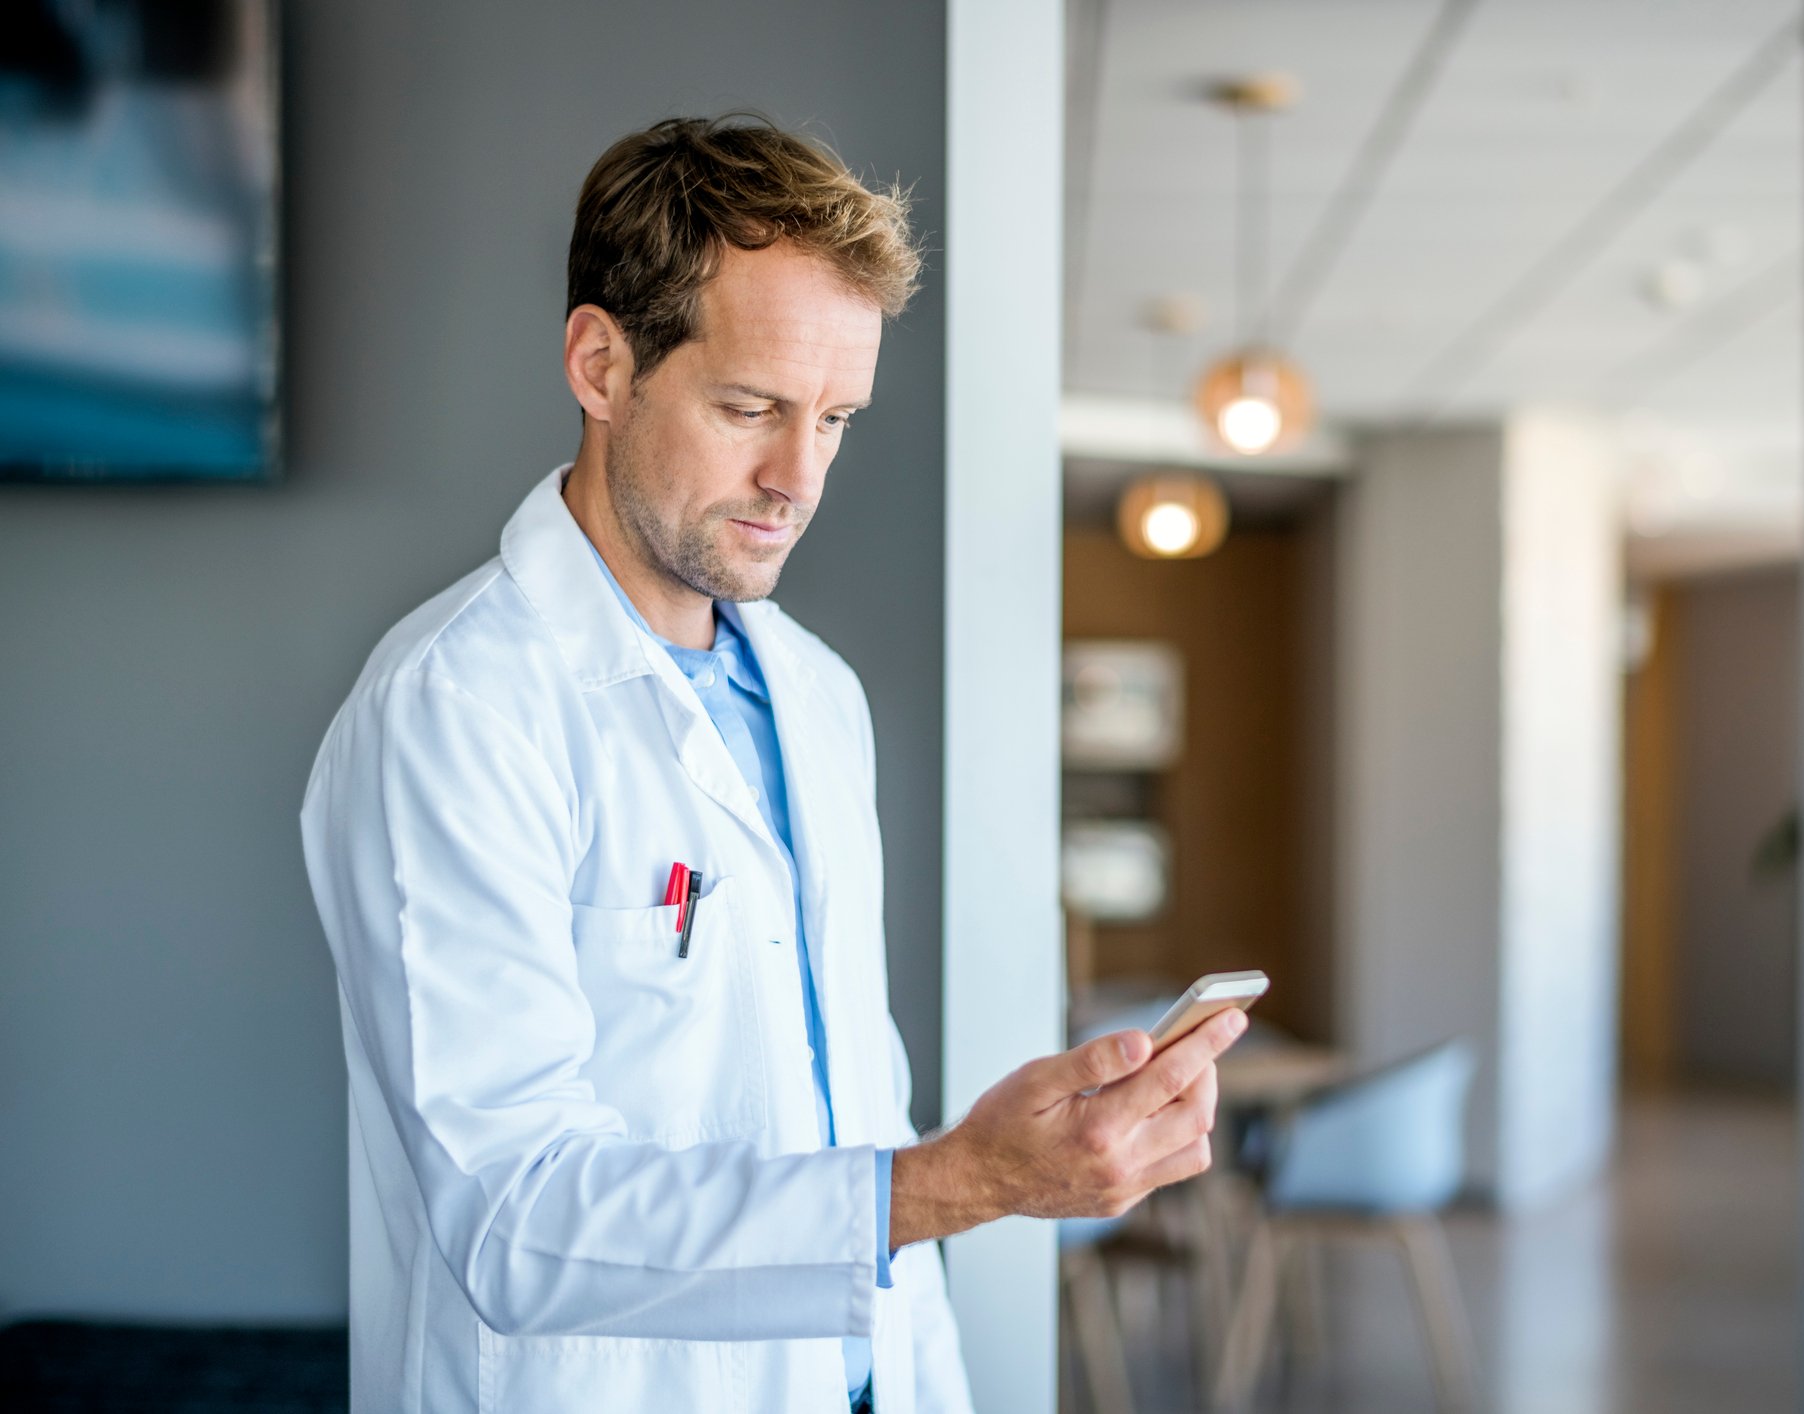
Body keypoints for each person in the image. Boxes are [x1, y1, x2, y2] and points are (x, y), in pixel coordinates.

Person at [300, 114, 1242, 1414]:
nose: (797, 475)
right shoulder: (458, 706)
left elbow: (853, 1099)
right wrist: (965, 1178)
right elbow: (512, 1216)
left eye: (836, 417)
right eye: (750, 406)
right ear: (598, 362)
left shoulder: (812, 692)